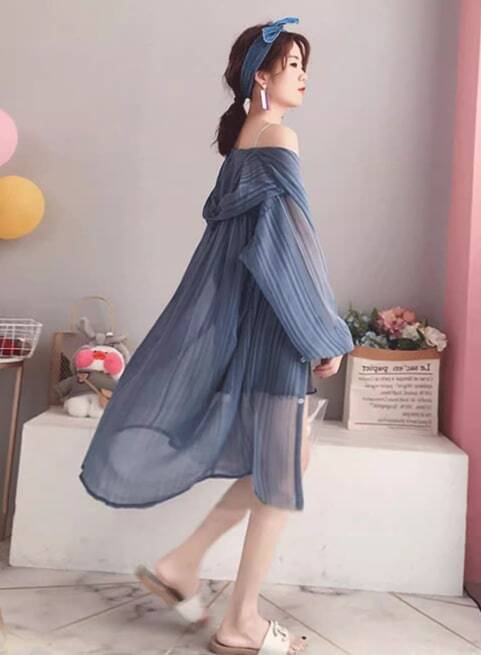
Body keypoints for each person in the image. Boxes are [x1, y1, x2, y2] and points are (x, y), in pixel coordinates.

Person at [79, 16, 354, 655]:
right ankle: (240, 623)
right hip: (274, 327)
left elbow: (253, 250)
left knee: (286, 460)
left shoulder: (242, 148)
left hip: (252, 324)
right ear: (261, 75)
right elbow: (289, 250)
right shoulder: (279, 137)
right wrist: (323, 332)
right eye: (292, 65)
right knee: (282, 471)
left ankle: (182, 564)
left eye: (304, 66)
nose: (304, 77)